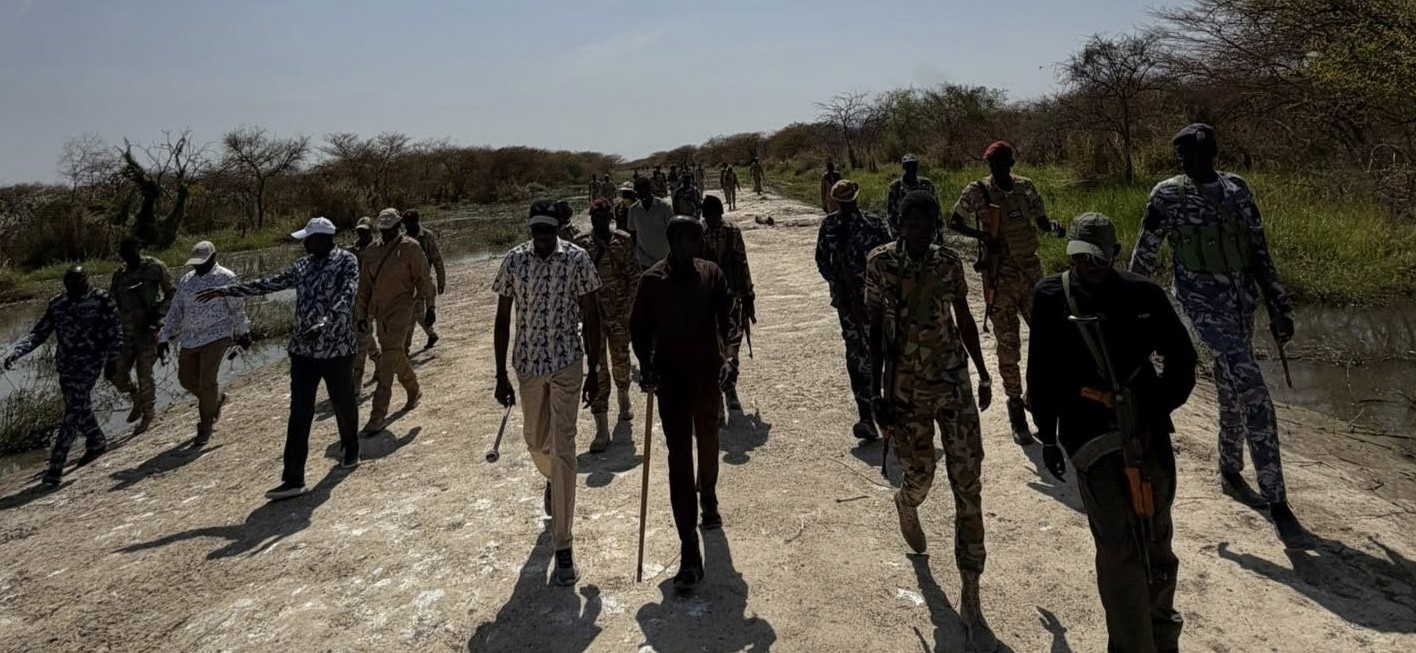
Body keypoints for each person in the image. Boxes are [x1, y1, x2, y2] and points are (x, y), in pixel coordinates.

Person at [1129, 123, 1304, 544]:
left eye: (1189, 154)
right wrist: (1131, 313)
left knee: (1231, 386)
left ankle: (1229, 468)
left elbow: (1259, 251)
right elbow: (1145, 255)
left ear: (1209, 153)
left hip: (1241, 303)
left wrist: (1279, 305)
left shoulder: (1238, 190)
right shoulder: (1167, 195)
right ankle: (1278, 502)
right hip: (1200, 305)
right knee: (1254, 389)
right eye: (1180, 156)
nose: (1183, 162)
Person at [1030, 213, 1197, 653]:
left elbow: (1183, 358)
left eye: (1098, 257)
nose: (1090, 265)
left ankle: (1163, 638)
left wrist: (1158, 406)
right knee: (1119, 553)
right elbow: (1040, 372)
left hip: (1148, 439)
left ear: (1115, 254)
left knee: (1158, 542)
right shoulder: (1050, 297)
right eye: (1081, 256)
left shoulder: (1144, 294)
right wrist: (1048, 435)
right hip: (1090, 443)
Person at [866, 190, 997, 651]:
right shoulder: (880, 263)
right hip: (906, 389)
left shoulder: (949, 264)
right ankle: (906, 502)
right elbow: (874, 330)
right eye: (912, 224)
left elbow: (963, 318)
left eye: (927, 224)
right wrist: (878, 396)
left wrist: (982, 373)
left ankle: (971, 593)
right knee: (921, 474)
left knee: (969, 482)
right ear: (899, 224)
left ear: (936, 226)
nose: (920, 231)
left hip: (953, 381)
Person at [197, 217, 362, 500]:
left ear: (322, 238)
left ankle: (351, 447)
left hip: (337, 349)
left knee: (342, 401)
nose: (304, 244)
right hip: (302, 352)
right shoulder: (302, 266)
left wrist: (325, 323)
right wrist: (225, 290)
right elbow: (269, 284)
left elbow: (347, 296)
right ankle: (293, 478)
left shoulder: (346, 261)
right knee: (299, 412)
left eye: (307, 239)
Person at [492, 199, 604, 586]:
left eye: (548, 230)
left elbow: (592, 314)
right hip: (527, 366)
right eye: (537, 230)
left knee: (564, 447)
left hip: (567, 364)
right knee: (536, 444)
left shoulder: (576, 259)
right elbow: (503, 317)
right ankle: (552, 479)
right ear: (530, 229)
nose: (542, 237)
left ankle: (564, 544)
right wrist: (499, 374)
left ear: (558, 228)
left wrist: (596, 369)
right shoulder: (514, 260)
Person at [632, 216, 741, 590]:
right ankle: (689, 552)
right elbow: (639, 331)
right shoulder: (651, 282)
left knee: (708, 441)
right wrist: (645, 365)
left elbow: (729, 315)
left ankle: (708, 494)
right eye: (694, 238)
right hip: (671, 383)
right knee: (678, 458)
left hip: (708, 377)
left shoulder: (710, 274)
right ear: (676, 241)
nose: (701, 244)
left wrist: (730, 356)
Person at [948, 141, 1065, 446]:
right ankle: (1016, 409)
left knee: (1048, 341)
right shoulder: (978, 192)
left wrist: (1053, 227)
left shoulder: (1026, 188)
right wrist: (984, 236)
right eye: (995, 162)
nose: (1001, 167)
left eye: (1006, 161)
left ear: (1012, 162)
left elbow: (1040, 220)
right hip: (999, 277)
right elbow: (953, 221)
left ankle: (1035, 397)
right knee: (1008, 345)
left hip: (1031, 274)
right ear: (988, 164)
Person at [4, 266, 122, 486]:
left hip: (90, 362)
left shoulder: (101, 300)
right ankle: (96, 440)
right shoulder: (58, 304)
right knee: (79, 406)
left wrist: (114, 360)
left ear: (86, 280)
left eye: (78, 283)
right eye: (70, 284)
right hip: (66, 366)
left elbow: (115, 331)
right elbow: (40, 332)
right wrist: (17, 352)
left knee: (72, 412)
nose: (74, 288)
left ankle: (56, 466)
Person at [815, 179, 893, 443]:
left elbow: (890, 258)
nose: (847, 206)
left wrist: (872, 293)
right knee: (856, 356)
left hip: (877, 303)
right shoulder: (828, 226)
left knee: (885, 352)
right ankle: (865, 416)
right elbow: (822, 260)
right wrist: (844, 289)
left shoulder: (874, 224)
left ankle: (889, 411)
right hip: (847, 304)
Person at [157, 241, 251, 446]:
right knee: (186, 380)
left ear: (214, 257)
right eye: (195, 262)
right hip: (190, 337)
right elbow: (175, 311)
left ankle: (205, 424)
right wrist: (163, 337)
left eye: (203, 262)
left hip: (218, 334)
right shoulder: (186, 280)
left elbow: (237, 307)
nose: (198, 266)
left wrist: (243, 332)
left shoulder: (226, 277)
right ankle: (215, 401)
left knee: (207, 380)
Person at [357, 209, 436, 434]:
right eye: (383, 229)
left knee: (388, 357)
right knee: (395, 354)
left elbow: (423, 279)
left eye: (390, 228)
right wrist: (362, 315)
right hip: (380, 311)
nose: (386, 232)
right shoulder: (372, 251)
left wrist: (430, 306)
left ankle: (378, 415)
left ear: (398, 226)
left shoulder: (411, 248)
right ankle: (413, 389)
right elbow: (364, 287)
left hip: (403, 310)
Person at [575, 199, 640, 451]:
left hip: (619, 313)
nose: (599, 222)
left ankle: (623, 397)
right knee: (596, 366)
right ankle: (601, 425)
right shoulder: (581, 244)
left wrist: (631, 310)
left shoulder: (622, 240)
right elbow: (577, 281)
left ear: (610, 218)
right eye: (595, 218)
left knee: (621, 359)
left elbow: (634, 276)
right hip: (593, 317)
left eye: (603, 217)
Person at [108, 235, 175, 435]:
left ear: (139, 248)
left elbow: (172, 294)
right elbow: (113, 302)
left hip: (149, 331)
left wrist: (157, 314)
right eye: (123, 252)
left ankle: (149, 414)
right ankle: (135, 396)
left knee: (144, 373)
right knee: (116, 373)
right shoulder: (119, 274)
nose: (127, 255)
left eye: (131, 250)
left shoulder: (155, 267)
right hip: (127, 333)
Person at [699, 195, 755, 412]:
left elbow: (742, 263)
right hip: (707, 298)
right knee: (712, 345)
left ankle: (730, 389)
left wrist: (749, 296)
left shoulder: (732, 232)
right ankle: (716, 393)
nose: (712, 220)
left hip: (732, 297)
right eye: (708, 216)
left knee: (732, 342)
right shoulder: (698, 233)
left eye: (715, 216)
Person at [402, 209, 445, 352]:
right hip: (410, 283)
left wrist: (441, 280)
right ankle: (429, 336)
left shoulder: (427, 237)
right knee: (415, 315)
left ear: (417, 221)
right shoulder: (404, 239)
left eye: (411, 223)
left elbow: (437, 260)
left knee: (417, 315)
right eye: (407, 224)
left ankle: (405, 348)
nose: (409, 226)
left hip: (425, 280)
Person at [351, 217, 380, 389]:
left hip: (372, 300)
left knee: (361, 339)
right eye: (359, 231)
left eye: (365, 231)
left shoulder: (379, 249)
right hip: (354, 301)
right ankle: (379, 360)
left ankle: (356, 382)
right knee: (364, 334)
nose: (361, 234)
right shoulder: (351, 251)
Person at [627, 176, 676, 269]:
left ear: (649, 189)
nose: (639, 194)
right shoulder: (633, 210)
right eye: (637, 191)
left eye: (643, 190)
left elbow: (673, 232)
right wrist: (637, 255)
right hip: (645, 260)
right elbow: (632, 233)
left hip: (665, 258)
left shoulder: (664, 207)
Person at [886, 154, 937, 237]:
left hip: (924, 229)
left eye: (914, 165)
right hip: (903, 230)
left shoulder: (926, 184)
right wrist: (895, 232)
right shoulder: (896, 186)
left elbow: (936, 208)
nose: (911, 168)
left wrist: (939, 231)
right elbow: (890, 212)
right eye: (908, 165)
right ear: (904, 167)